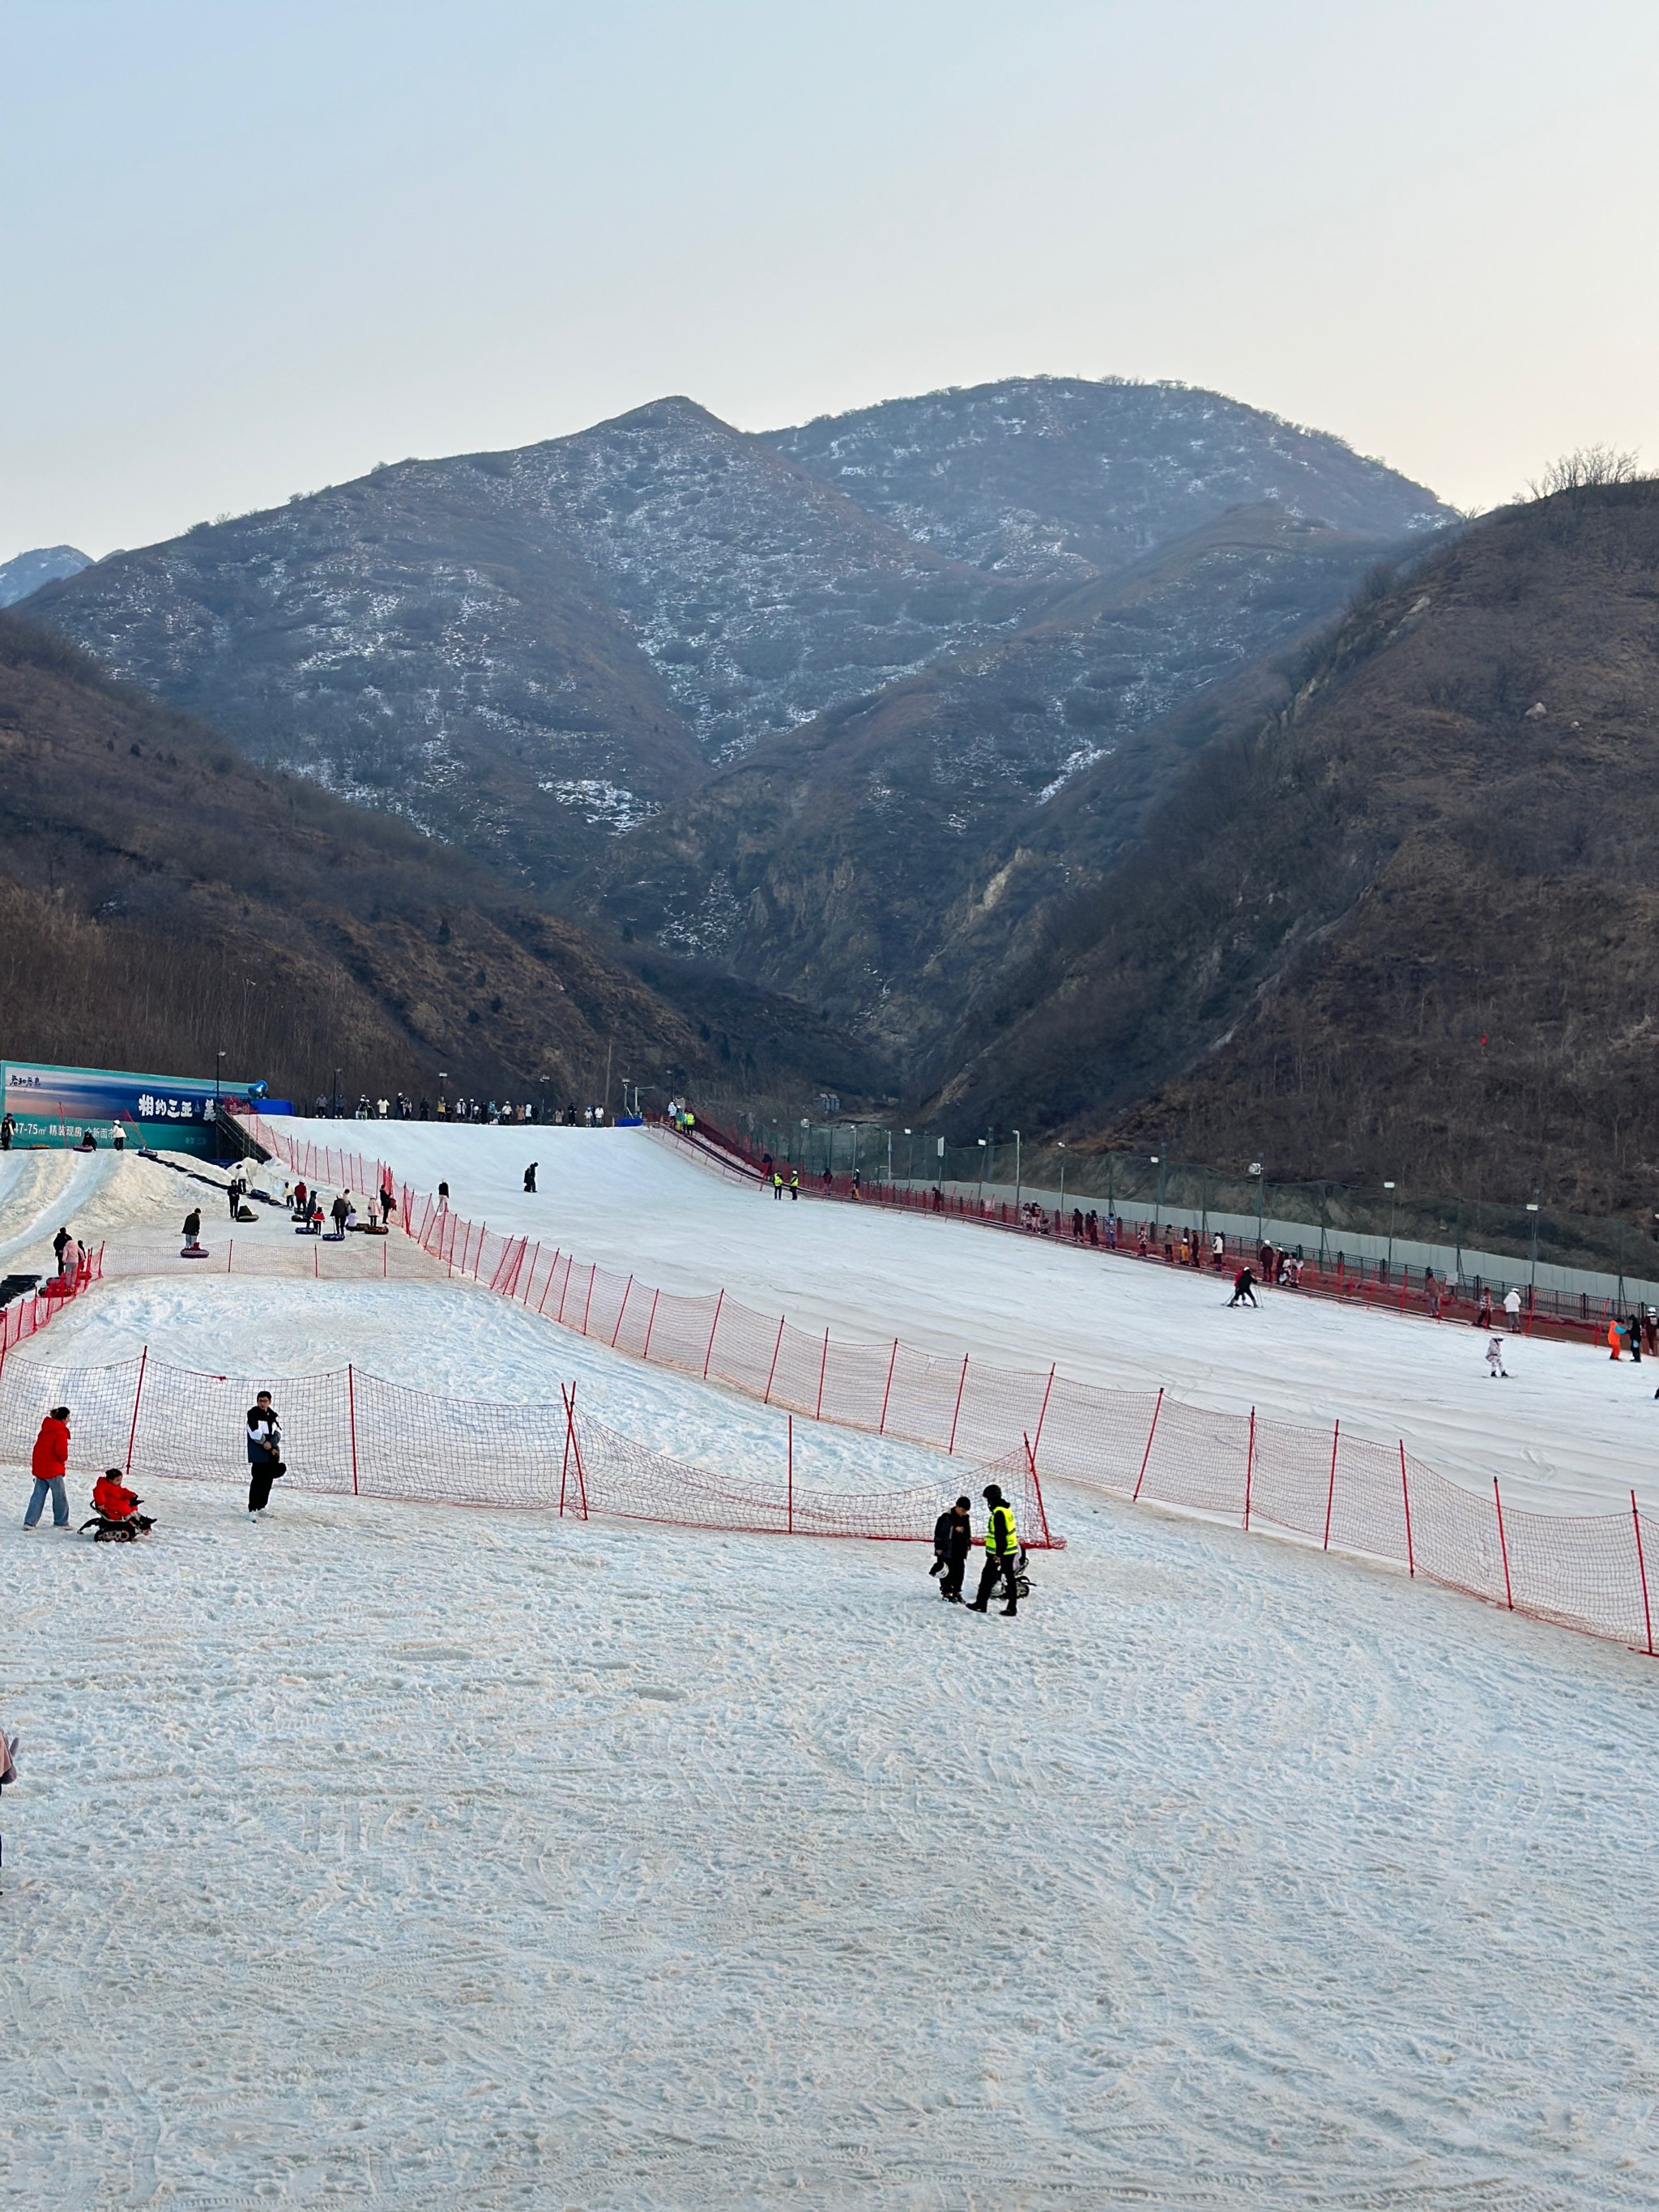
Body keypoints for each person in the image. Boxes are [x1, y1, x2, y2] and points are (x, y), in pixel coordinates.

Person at [966, 1484, 1020, 1616]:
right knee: (1010, 1578)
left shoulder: (999, 1513)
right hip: (1010, 1551)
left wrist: (998, 1555)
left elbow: (1001, 1536)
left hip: (1000, 1553)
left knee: (987, 1578)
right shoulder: (1006, 1510)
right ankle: (1012, 1607)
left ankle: (981, 1604)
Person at [24, 1406, 71, 1530]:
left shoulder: (45, 1429)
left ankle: (30, 1522)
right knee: (60, 1496)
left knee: (38, 1495)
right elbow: (62, 1454)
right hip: (53, 1470)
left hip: (41, 1469)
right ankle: (61, 1522)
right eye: (68, 1417)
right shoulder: (61, 1432)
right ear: (65, 1418)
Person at [246, 1392, 285, 1517]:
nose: (262, 1403)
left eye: (265, 1401)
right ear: (257, 1402)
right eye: (260, 1401)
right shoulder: (252, 1415)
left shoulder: (273, 1416)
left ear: (270, 1402)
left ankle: (261, 1508)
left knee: (267, 1482)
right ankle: (252, 1509)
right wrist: (266, 1444)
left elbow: (278, 1432)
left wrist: (272, 1444)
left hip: (270, 1456)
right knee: (257, 1481)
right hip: (259, 1455)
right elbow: (254, 1433)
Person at [933, 1495, 973, 1602]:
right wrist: (938, 1547)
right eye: (963, 1510)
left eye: (966, 1511)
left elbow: (967, 1532)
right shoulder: (945, 1518)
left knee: (959, 1571)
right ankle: (947, 1591)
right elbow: (938, 1533)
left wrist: (968, 1544)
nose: (964, 1513)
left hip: (960, 1550)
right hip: (947, 1549)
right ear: (957, 1507)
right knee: (946, 1571)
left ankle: (957, 1592)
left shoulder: (965, 1518)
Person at [92, 1467, 151, 1533]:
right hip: (108, 1507)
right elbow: (99, 1493)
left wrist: (132, 1496)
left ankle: (141, 1519)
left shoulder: (115, 1485)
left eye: (120, 1480)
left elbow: (123, 1491)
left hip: (115, 1504)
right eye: (117, 1480)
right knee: (124, 1507)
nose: (119, 1482)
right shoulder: (102, 1486)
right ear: (110, 1480)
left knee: (132, 1506)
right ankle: (138, 1524)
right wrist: (101, 1503)